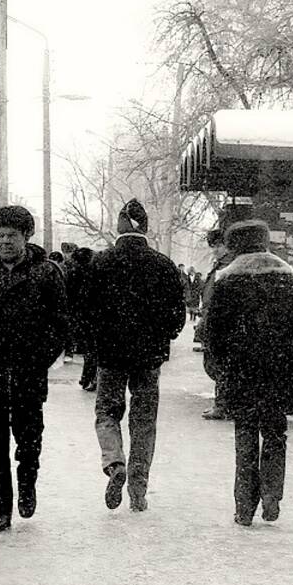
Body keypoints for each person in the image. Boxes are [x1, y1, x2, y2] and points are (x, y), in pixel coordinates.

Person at [0, 205, 68, 531]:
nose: (5, 241)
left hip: (28, 373)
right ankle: (0, 509)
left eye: (12, 236)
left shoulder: (46, 273)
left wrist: (38, 359)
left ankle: (27, 483)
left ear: (26, 237)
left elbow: (59, 325)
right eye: (0, 235)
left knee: (29, 437)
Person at [202, 219, 293, 526]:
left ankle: (244, 505)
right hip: (279, 371)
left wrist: (221, 368)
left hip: (242, 373)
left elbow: (213, 333)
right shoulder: (287, 277)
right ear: (265, 242)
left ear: (236, 245)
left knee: (245, 435)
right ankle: (271, 494)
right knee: (275, 433)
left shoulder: (226, 280)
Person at [84, 199, 186, 512]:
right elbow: (177, 315)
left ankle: (115, 463)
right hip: (149, 356)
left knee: (107, 413)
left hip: (111, 355)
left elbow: (86, 311)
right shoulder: (164, 264)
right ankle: (138, 491)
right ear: (146, 227)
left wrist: (97, 340)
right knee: (144, 422)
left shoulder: (100, 262)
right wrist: (160, 338)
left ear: (121, 225)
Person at [197, 228, 236, 421]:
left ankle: (223, 405)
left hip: (220, 324)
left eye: (217, 246)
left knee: (221, 366)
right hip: (216, 321)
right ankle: (223, 403)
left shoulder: (227, 265)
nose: (215, 250)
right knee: (219, 365)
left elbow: (218, 297)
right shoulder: (222, 264)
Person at [65, 246, 98, 391]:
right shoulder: (95, 273)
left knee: (89, 349)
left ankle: (87, 378)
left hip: (79, 315)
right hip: (93, 315)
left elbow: (68, 295)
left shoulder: (72, 273)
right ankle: (90, 377)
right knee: (92, 349)